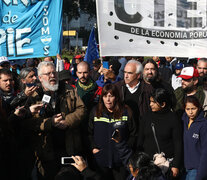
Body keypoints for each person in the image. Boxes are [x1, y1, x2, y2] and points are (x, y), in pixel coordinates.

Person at [26, 61, 85, 180]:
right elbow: (28, 123)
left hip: (68, 148)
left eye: (54, 73)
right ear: (40, 78)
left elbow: (82, 109)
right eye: (48, 74)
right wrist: (50, 123)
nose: (52, 76)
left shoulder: (68, 89)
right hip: (46, 152)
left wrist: (68, 121)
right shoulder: (33, 95)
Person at [88, 83, 137, 180]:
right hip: (101, 160)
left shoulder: (126, 112)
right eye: (105, 96)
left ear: (116, 97)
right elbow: (89, 133)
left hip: (121, 162)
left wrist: (126, 149)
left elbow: (134, 134)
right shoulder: (95, 111)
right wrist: (93, 148)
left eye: (111, 96)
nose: (108, 100)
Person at [138, 88, 182, 179]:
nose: (150, 104)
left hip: (166, 165)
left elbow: (178, 143)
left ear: (163, 104)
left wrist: (176, 165)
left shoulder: (173, 119)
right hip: (148, 165)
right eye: (150, 101)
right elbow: (140, 140)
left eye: (153, 102)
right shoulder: (146, 117)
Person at [182, 96, 207, 180]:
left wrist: (200, 174)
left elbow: (205, 151)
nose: (191, 112)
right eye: (187, 109)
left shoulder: (203, 125)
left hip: (196, 169)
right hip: (184, 168)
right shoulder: (183, 120)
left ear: (199, 108)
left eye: (193, 108)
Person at [115, 60, 143, 124]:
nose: (126, 76)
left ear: (138, 75)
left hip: (141, 126)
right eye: (125, 72)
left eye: (130, 73)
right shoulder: (117, 87)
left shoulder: (146, 89)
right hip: (123, 126)